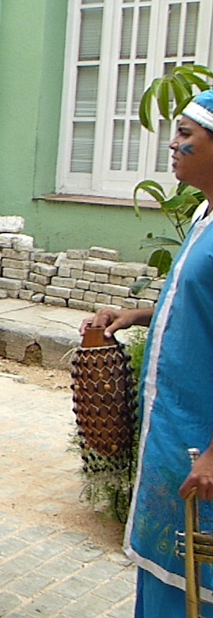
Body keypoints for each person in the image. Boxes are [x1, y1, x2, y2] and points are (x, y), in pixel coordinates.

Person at [82, 89, 213, 618]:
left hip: (199, 448)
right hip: (175, 437)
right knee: (164, 578)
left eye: (186, 134)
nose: (173, 146)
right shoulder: (205, 214)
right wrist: (136, 316)